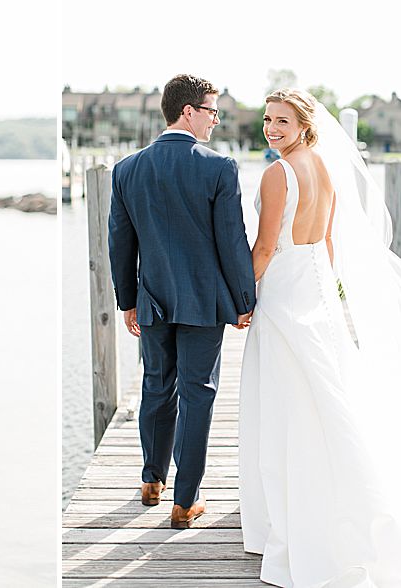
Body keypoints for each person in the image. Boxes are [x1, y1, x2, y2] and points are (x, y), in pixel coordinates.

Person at [238, 88, 401, 587]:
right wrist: (326, 292)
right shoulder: (327, 169)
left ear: (304, 124)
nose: (271, 129)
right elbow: (328, 242)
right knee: (328, 396)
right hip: (316, 288)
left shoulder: (278, 173)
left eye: (282, 122)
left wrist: (241, 298)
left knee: (286, 400)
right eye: (268, 120)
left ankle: (296, 511)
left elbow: (267, 245)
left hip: (286, 292)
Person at [108, 73, 256, 529]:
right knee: (198, 394)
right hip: (204, 303)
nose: (216, 120)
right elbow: (232, 241)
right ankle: (185, 499)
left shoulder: (127, 168)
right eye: (211, 111)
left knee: (156, 385)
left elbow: (119, 242)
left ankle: (152, 480)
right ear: (188, 111)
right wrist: (245, 299)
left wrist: (127, 300)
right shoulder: (219, 167)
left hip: (151, 298)